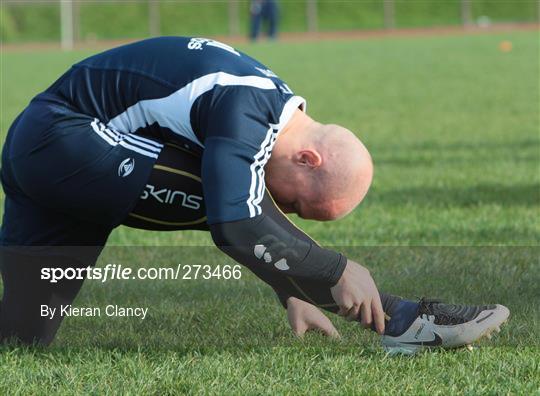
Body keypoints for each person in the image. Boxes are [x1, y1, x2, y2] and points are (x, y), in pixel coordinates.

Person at [0, 37, 509, 353]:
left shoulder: (264, 101)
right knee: (235, 206)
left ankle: (391, 316)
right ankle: (402, 318)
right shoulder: (249, 108)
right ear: (309, 159)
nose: (287, 213)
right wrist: (331, 271)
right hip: (65, 140)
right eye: (299, 206)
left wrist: (289, 285)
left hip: (42, 151)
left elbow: (246, 214)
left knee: (22, 334)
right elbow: (237, 220)